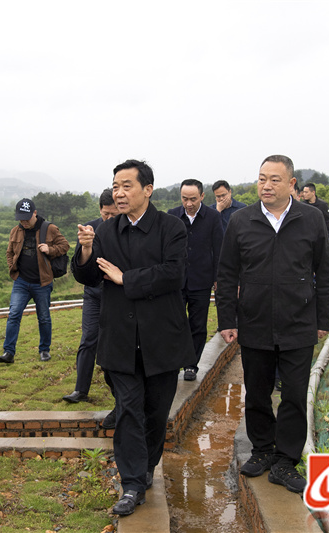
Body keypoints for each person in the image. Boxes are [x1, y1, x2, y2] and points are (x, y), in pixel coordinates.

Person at [72, 159, 195, 516]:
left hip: (161, 340)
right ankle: (131, 483)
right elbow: (89, 277)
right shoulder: (106, 232)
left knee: (156, 412)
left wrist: (128, 280)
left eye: (127, 185)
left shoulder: (171, 228)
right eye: (115, 185)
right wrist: (84, 250)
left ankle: (145, 467)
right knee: (128, 410)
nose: (119, 192)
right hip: (120, 340)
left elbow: (174, 274)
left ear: (147, 189)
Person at [216, 155, 329, 494]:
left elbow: (325, 273)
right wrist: (228, 319)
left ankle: (286, 461)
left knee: (295, 395)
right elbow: (226, 274)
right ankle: (263, 450)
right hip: (254, 323)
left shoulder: (310, 219)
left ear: (291, 184)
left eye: (274, 180)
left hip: (299, 324)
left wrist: (322, 320)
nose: (266, 186)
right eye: (261, 179)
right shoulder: (241, 221)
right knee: (256, 393)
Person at [62, 189, 118, 428]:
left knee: (114, 345)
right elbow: (79, 268)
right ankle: (80, 389)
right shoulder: (89, 231)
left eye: (114, 215)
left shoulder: (127, 231)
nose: (110, 219)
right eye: (106, 215)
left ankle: (120, 400)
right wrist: (86, 247)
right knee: (88, 339)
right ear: (100, 210)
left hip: (118, 296)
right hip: (94, 295)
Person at [0, 198, 69, 364]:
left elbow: (64, 246)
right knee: (14, 314)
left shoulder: (49, 229)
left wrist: (49, 249)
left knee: (43, 317)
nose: (24, 221)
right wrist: (11, 267)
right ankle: (9, 352)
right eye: (21, 218)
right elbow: (9, 252)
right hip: (21, 281)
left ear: (35, 213)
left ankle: (44, 350)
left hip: (42, 283)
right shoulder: (15, 231)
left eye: (26, 218)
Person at [168, 179, 223, 381]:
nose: (189, 203)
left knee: (198, 325)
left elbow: (219, 249)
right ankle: (174, 362)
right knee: (175, 322)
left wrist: (218, 278)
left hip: (201, 279)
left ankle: (191, 364)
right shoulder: (172, 216)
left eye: (193, 199)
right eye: (185, 199)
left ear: (202, 196)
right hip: (176, 280)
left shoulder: (213, 217)